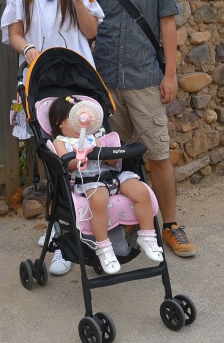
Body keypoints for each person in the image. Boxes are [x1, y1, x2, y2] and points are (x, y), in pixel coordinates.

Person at [0, 0, 104, 276]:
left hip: (78, 80)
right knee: (53, 157)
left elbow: (91, 31)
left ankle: (90, 227)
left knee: (86, 154)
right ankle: (62, 234)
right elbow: (14, 33)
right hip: (40, 81)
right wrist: (29, 50)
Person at [89, 0, 195, 257]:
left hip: (146, 80)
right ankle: (126, 224)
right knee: (113, 158)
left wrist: (170, 75)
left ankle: (170, 225)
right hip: (106, 83)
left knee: (158, 155)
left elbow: (167, 24)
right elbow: (88, 28)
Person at [48, 96, 163, 274]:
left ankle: (147, 235)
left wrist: (111, 155)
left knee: (141, 191)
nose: (81, 125)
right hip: (88, 180)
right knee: (98, 199)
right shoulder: (60, 142)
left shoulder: (93, 138)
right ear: (59, 122)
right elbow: (67, 164)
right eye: (74, 120)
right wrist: (81, 157)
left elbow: (111, 162)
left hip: (111, 176)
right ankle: (104, 247)